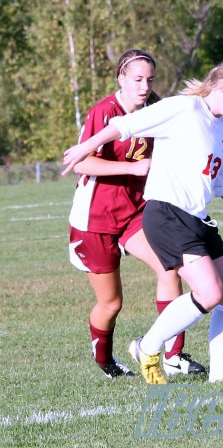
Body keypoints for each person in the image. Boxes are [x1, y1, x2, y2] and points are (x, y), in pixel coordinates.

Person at [62, 57, 223, 384]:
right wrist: (88, 146)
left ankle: (219, 375)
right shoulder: (184, 108)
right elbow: (125, 125)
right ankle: (147, 347)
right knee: (209, 292)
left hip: (197, 217)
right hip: (166, 214)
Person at [68, 49, 205, 378]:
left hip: (136, 214)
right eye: (137, 79)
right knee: (111, 303)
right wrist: (133, 167)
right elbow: (80, 163)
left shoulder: (155, 112)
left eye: (150, 80)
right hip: (95, 220)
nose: (144, 87)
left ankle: (172, 354)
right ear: (121, 79)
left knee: (169, 269)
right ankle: (105, 361)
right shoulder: (104, 111)